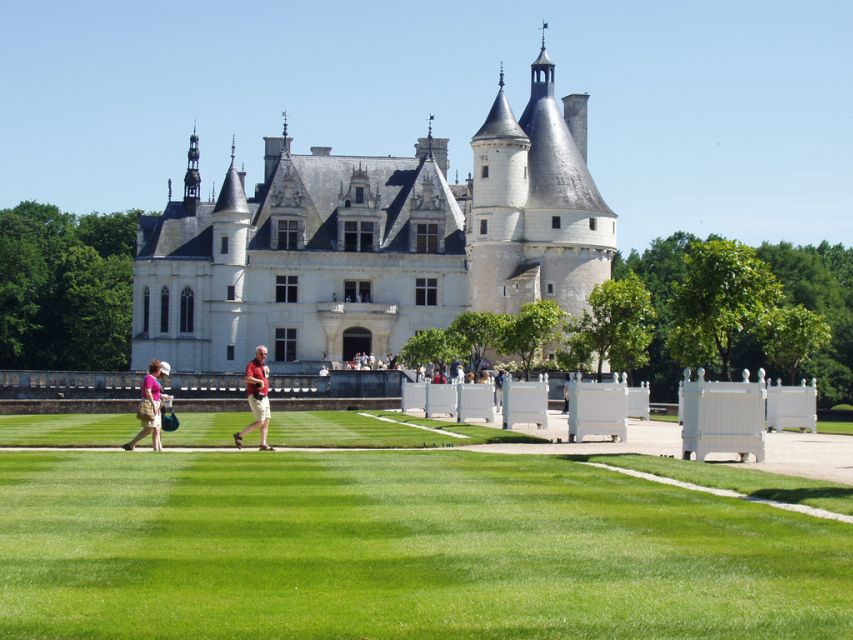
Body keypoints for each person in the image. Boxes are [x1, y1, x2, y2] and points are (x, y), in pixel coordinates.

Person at [123, 360, 172, 451]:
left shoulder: (154, 379)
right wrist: (154, 404)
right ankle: (132, 444)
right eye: (163, 373)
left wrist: (162, 396)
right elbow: (148, 392)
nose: (163, 375)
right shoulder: (149, 378)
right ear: (158, 369)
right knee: (150, 428)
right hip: (150, 404)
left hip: (156, 403)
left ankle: (157, 449)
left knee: (157, 428)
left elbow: (154, 393)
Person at [233, 345, 275, 451]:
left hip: (264, 396)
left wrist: (264, 377)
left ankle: (263, 444)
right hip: (256, 396)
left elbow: (264, 379)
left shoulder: (263, 366)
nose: (263, 355)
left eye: (265, 354)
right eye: (261, 353)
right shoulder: (252, 365)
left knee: (266, 421)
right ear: (256, 354)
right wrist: (259, 381)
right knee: (261, 421)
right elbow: (247, 378)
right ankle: (239, 435)